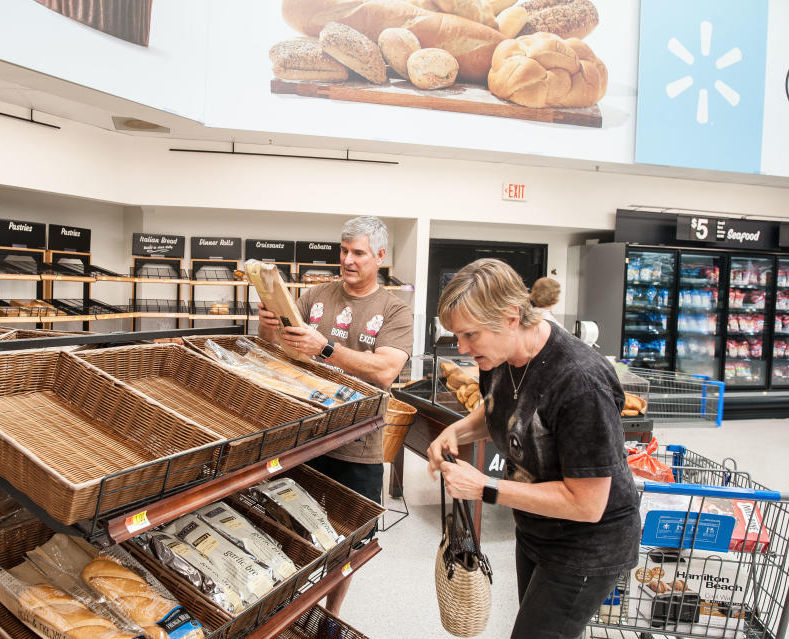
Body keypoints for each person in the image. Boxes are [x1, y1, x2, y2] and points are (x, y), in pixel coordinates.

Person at [426, 259, 639, 639]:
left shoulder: (580, 382)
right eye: (456, 336)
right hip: (535, 528)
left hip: (587, 545)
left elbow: (588, 504)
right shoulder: (499, 355)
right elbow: (501, 408)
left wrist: (485, 488)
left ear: (510, 317)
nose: (461, 347)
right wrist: (456, 432)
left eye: (469, 335)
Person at [258, 215, 413, 615]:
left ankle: (330, 614)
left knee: (347, 543)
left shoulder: (395, 310)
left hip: (357, 448)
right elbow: (281, 354)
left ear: (380, 256)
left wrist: (324, 348)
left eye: (358, 253)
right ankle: (285, 608)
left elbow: (385, 370)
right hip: (303, 438)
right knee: (286, 525)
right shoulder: (313, 297)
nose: (348, 260)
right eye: (343, 251)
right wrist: (268, 329)